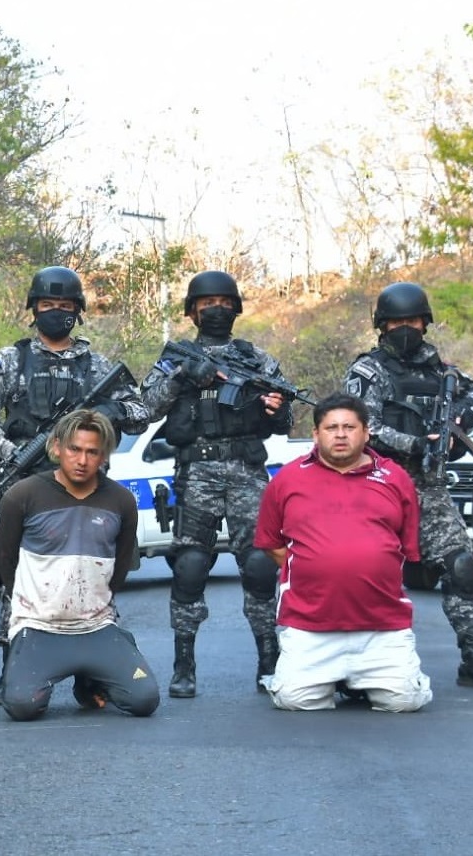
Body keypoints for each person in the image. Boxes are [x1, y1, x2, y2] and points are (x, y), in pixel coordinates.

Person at [0, 266, 150, 704]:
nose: (56, 313)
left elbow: (139, 409)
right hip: (29, 480)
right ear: (33, 309)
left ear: (79, 312)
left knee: (92, 569)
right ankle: (12, 665)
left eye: (66, 306)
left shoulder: (98, 365)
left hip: (85, 485)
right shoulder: (11, 361)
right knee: (22, 575)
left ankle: (92, 672)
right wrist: (10, 453)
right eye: (48, 305)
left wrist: (105, 414)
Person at [344, 281, 473, 690]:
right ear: (381, 326)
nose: (405, 328)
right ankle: (360, 662)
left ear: (425, 323)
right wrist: (416, 443)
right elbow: (361, 426)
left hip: (429, 486)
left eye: (413, 320)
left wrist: (464, 413)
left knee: (461, 565)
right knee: (367, 572)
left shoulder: (443, 372)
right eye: (396, 322)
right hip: (378, 482)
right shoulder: (367, 371)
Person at [140, 270, 293, 697]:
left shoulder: (258, 359)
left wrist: (276, 407)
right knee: (189, 568)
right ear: (191, 311)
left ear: (237, 307)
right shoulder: (175, 357)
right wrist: (183, 377)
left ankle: (270, 660)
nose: (216, 309)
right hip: (197, 474)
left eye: (225, 301)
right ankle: (183, 665)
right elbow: (145, 408)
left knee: (262, 567)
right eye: (207, 302)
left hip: (247, 471)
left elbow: (284, 420)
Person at [254, 393, 432, 712]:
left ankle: (367, 680)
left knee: (405, 702)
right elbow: (271, 543)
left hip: (382, 626)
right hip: (311, 625)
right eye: (331, 427)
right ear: (316, 434)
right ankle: (333, 678)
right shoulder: (287, 480)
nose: (340, 434)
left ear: (366, 433)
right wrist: (312, 566)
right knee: (293, 700)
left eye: (349, 427)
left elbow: (406, 547)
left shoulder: (395, 478)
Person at [0, 409, 159, 721]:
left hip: (97, 627)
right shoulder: (22, 495)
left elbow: (121, 567)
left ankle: (95, 674)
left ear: (103, 456)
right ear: (56, 447)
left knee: (144, 701)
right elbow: (5, 561)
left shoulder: (121, 501)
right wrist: (35, 603)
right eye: (74, 449)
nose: (82, 460)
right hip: (40, 627)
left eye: (92, 452)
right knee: (22, 706)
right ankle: (34, 667)